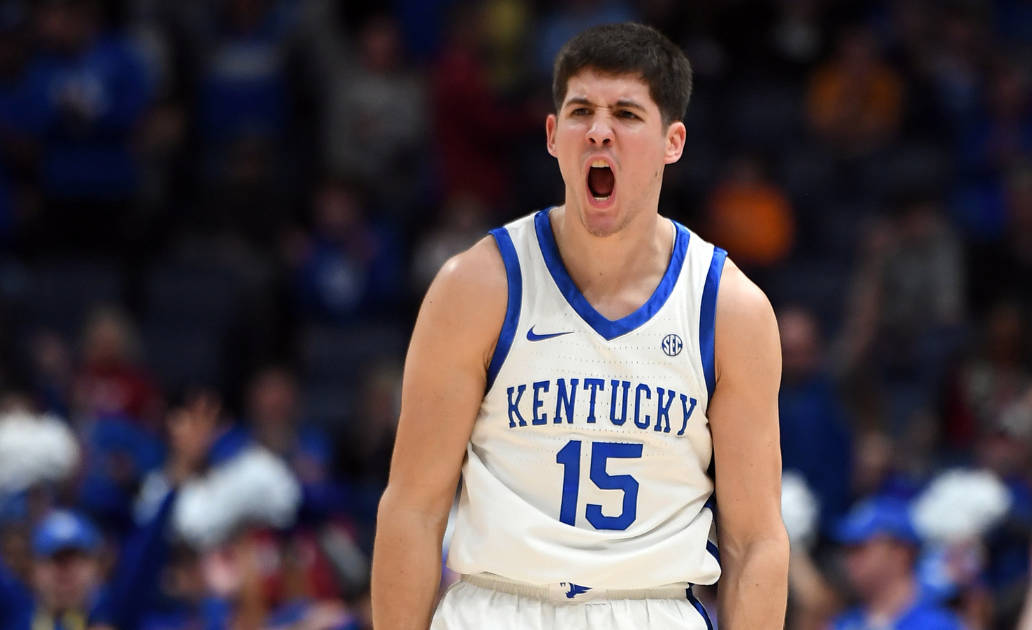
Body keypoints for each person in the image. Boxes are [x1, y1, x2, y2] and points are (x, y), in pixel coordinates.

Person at [373, 23, 789, 630]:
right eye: (580, 111)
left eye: (625, 113)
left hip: (655, 607)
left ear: (673, 141)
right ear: (552, 135)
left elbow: (755, 540)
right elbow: (412, 508)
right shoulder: (476, 288)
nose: (599, 130)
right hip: (497, 606)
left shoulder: (730, 310)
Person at [0, 395, 219, 630]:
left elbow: (146, 556)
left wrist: (178, 476)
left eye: (75, 559)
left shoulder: (112, 618)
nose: (64, 573)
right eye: (55, 560)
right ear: (33, 572)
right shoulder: (16, 618)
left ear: (97, 569)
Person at [832, 497, 966, 630]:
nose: (850, 560)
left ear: (901, 553)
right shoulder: (843, 623)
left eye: (860, 548)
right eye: (847, 551)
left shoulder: (937, 625)